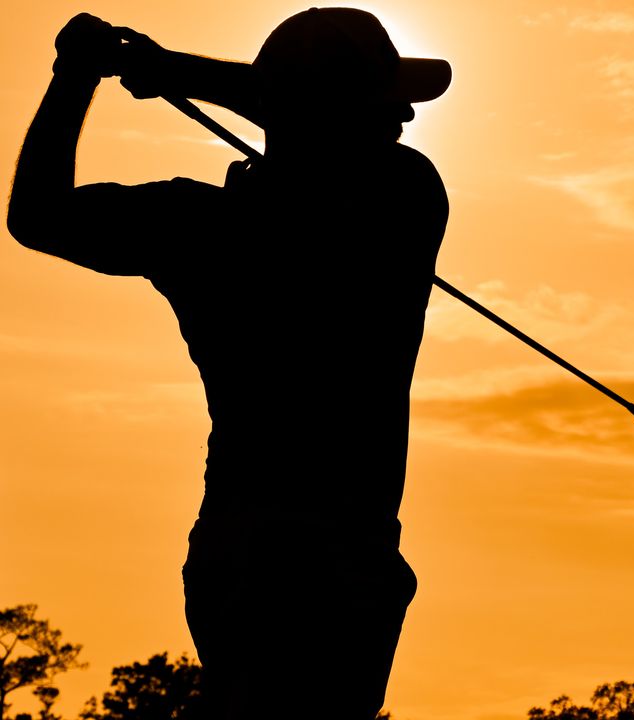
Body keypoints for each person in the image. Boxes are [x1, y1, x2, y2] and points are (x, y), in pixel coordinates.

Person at [8, 9, 451, 719]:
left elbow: (39, 214)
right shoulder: (405, 197)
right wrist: (172, 70)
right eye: (383, 100)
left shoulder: (196, 226)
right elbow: (309, 137)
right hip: (336, 559)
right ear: (344, 113)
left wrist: (80, 75)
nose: (403, 114)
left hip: (240, 546)